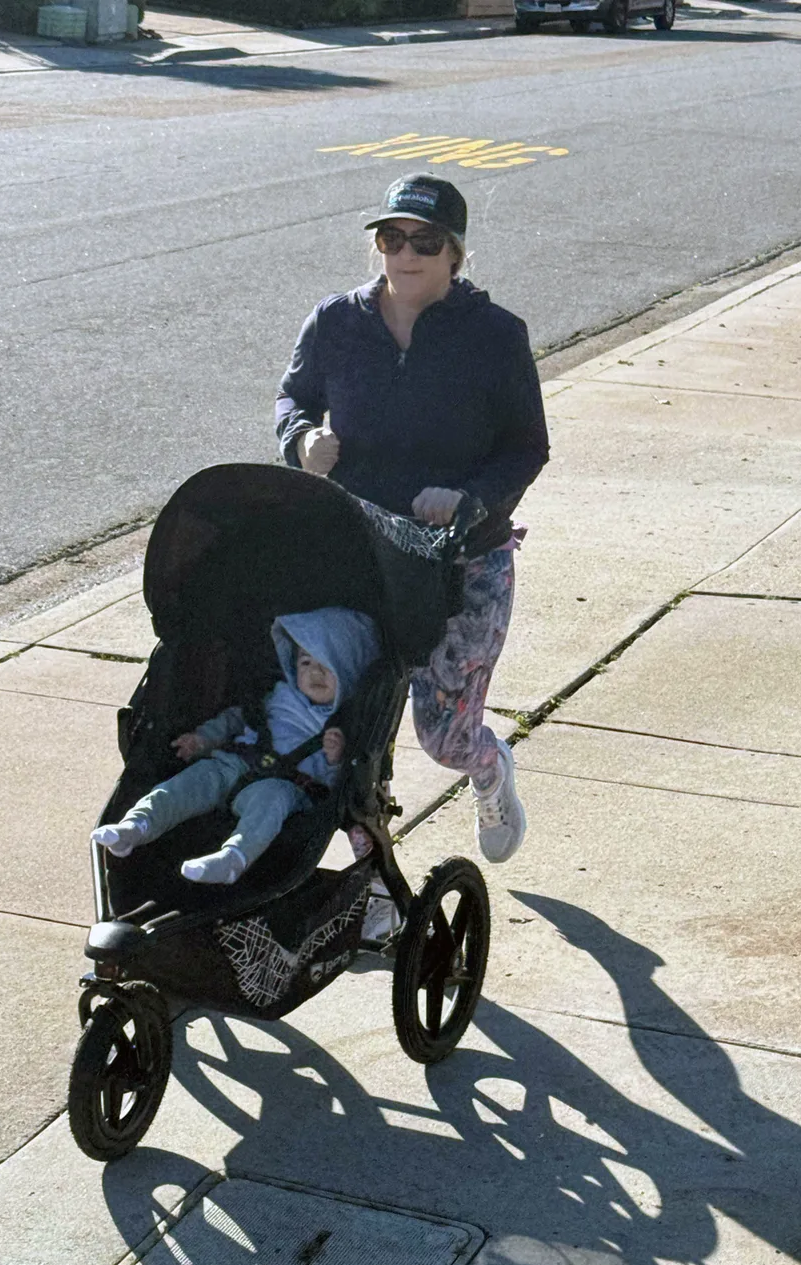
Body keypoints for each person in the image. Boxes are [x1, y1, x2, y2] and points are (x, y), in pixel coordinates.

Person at [276, 172, 548, 865]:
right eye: (391, 236)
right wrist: (302, 439)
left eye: (425, 241)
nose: (405, 253)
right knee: (351, 733)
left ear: (455, 253)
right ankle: (373, 882)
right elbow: (293, 398)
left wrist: (470, 499)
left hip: (463, 562)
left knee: (443, 736)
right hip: (364, 554)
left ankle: (488, 769)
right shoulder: (338, 322)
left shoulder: (494, 336)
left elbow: (526, 447)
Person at [92, 607, 381, 885]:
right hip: (233, 762)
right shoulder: (279, 695)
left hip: (286, 784)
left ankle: (233, 859)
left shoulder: (341, 724)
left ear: (345, 671)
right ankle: (136, 825)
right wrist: (203, 739)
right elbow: (237, 718)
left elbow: (340, 783)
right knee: (184, 785)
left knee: (268, 806)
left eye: (324, 666)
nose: (314, 674)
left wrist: (335, 759)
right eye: (306, 663)